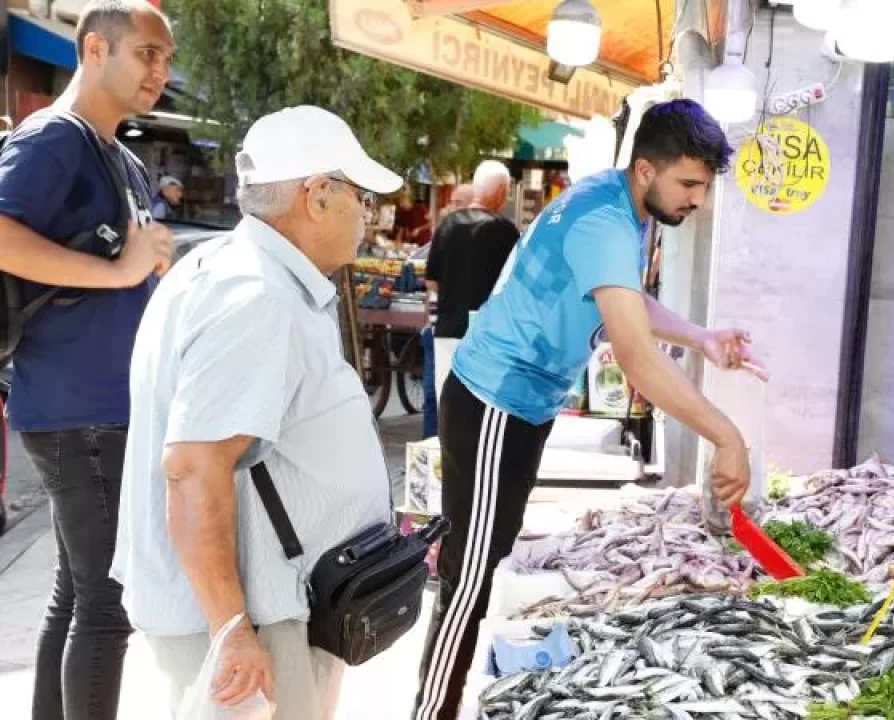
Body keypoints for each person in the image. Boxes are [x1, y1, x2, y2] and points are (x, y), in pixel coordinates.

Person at [411, 99, 763, 720]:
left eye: (703, 188)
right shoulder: (607, 220)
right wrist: (726, 435)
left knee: (485, 567)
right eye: (688, 185)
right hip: (496, 399)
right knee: (470, 580)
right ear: (648, 170)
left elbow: (621, 300)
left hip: (517, 403)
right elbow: (635, 357)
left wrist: (700, 338)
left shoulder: (619, 202)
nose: (696, 202)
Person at [112, 106, 402, 720]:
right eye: (361, 197)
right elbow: (193, 467)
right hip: (258, 619)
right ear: (317, 195)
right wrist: (233, 629)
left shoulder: (244, 274)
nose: (367, 215)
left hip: (272, 607)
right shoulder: (255, 295)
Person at [0, 1, 175, 717]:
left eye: (166, 59)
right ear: (95, 49)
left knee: (78, 592)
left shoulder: (122, 157)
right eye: (146, 54)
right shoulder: (53, 140)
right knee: (108, 603)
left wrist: (156, 265)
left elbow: (128, 261)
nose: (160, 72)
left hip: (100, 404)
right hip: (80, 408)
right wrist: (123, 272)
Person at [424, 160, 519, 404]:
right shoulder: (506, 231)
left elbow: (432, 282)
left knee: (446, 401)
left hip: (448, 329)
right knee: (479, 406)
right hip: (487, 336)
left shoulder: (446, 225)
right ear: (500, 192)